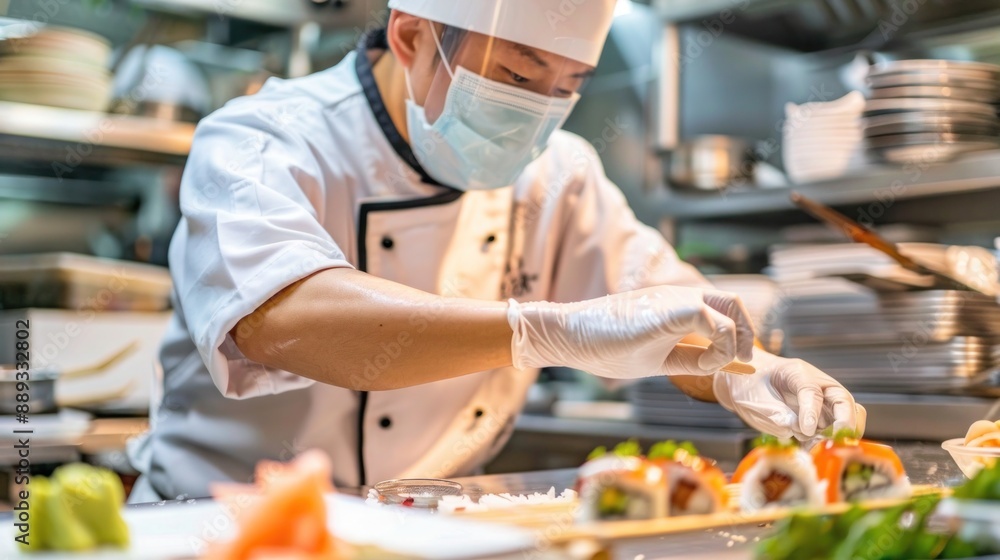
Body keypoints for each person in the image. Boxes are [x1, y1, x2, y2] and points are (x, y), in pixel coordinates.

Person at [127, 0, 862, 502]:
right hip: (227, 527)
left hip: (429, 528)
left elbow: (669, 303)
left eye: (568, 86)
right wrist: (542, 330)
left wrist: (748, 369)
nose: (541, 110)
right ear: (412, 38)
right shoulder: (266, 137)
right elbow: (282, 317)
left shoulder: (562, 173)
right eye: (516, 76)